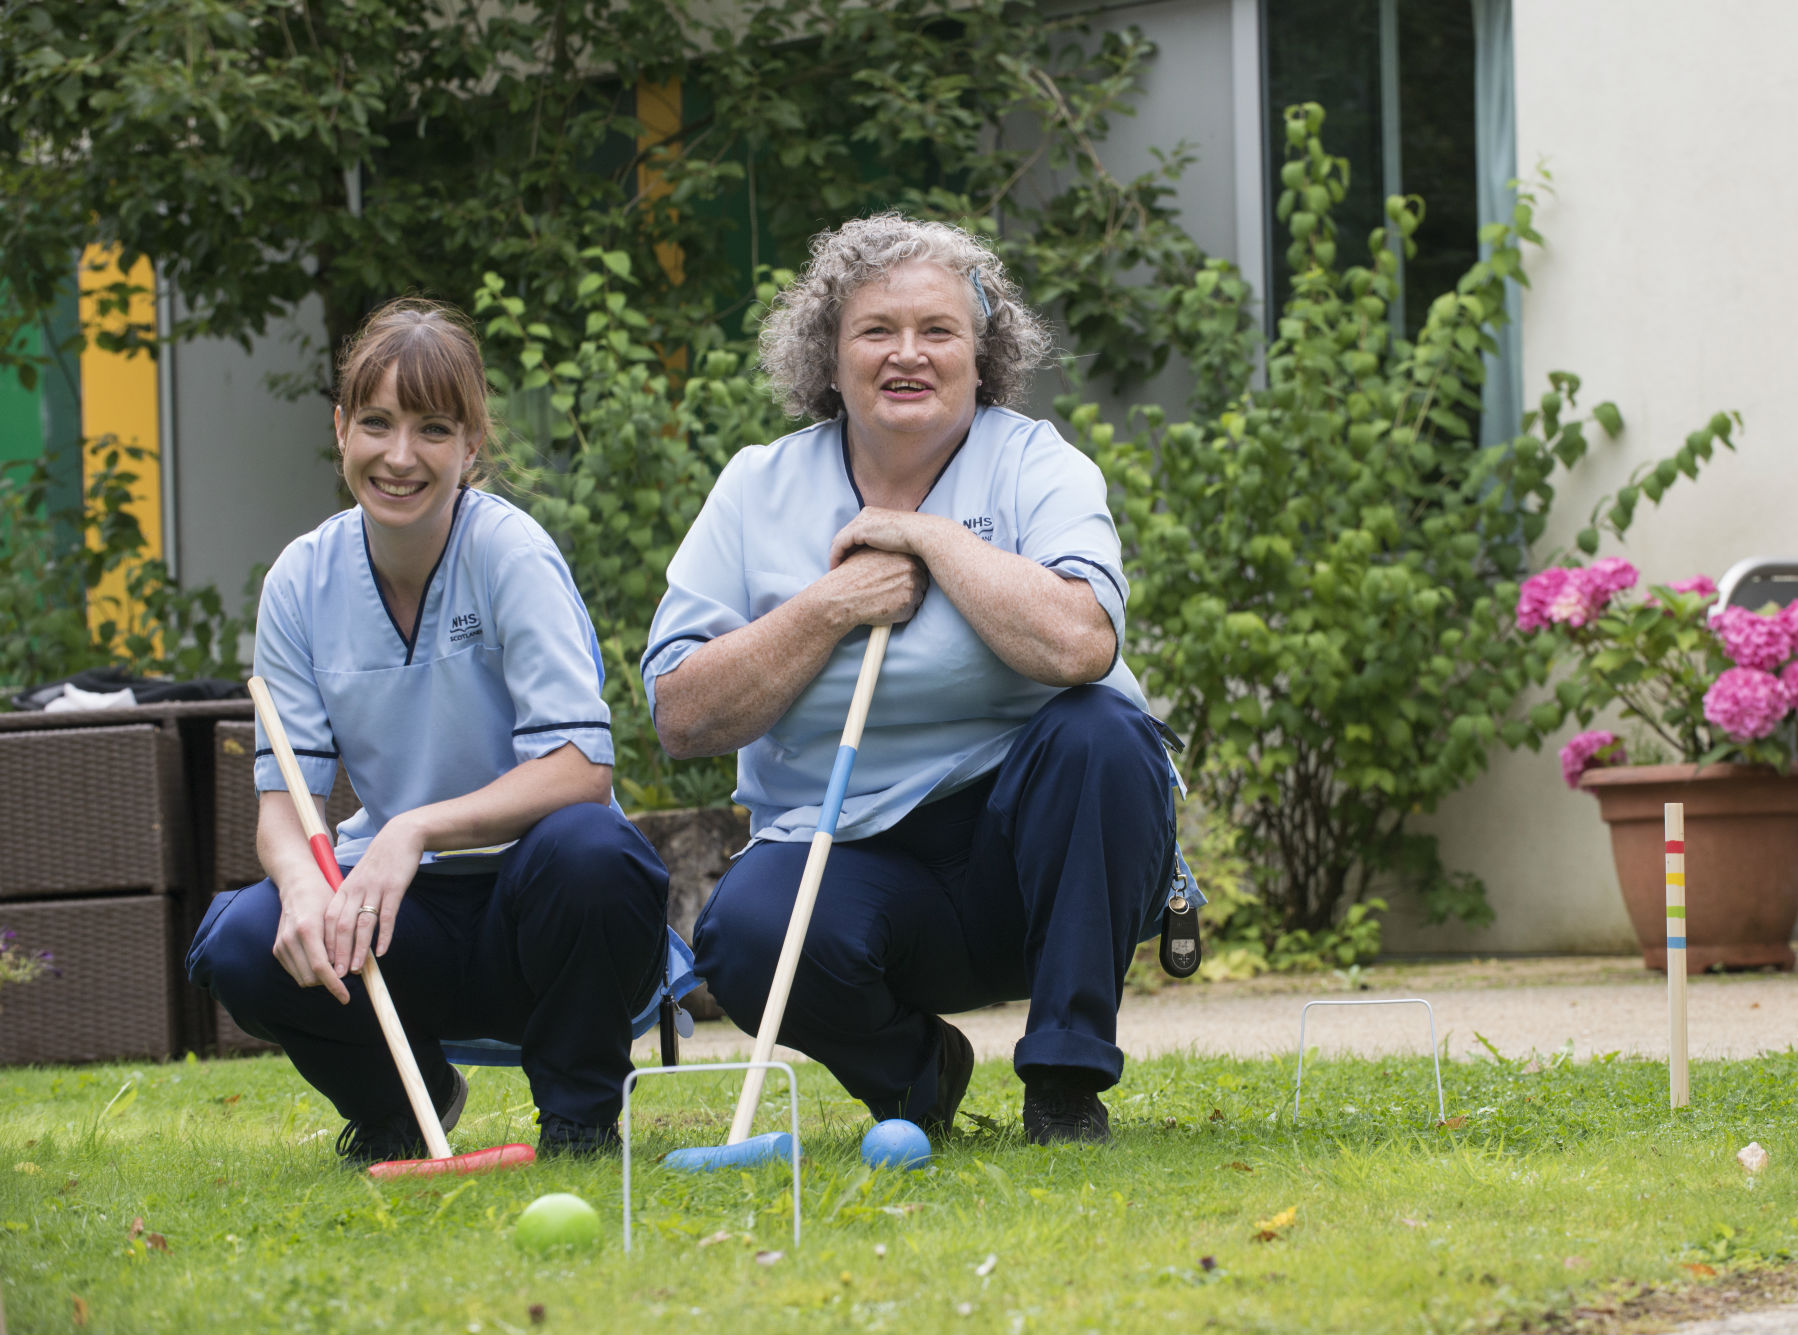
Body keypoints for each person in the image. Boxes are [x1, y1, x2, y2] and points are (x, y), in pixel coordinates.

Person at [644, 214, 1196, 1146]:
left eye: (938, 331)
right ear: (829, 355)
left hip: (1034, 859)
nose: (909, 354)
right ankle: (916, 1075)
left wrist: (928, 537)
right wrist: (830, 605)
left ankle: (1065, 1086)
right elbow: (682, 713)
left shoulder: (1033, 463)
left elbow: (1081, 645)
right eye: (876, 331)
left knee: (1100, 731)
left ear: (983, 358)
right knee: (743, 936)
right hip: (844, 851)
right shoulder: (756, 488)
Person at [187, 299, 692, 1166]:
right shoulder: (300, 582)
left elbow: (581, 771)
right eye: (376, 423)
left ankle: (578, 1120)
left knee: (591, 851)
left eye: (431, 428)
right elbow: (285, 809)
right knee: (240, 940)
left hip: (539, 908)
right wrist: (303, 887)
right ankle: (402, 1106)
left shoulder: (511, 554)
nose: (399, 455)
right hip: (401, 923)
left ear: (471, 445)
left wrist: (413, 828)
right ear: (341, 428)